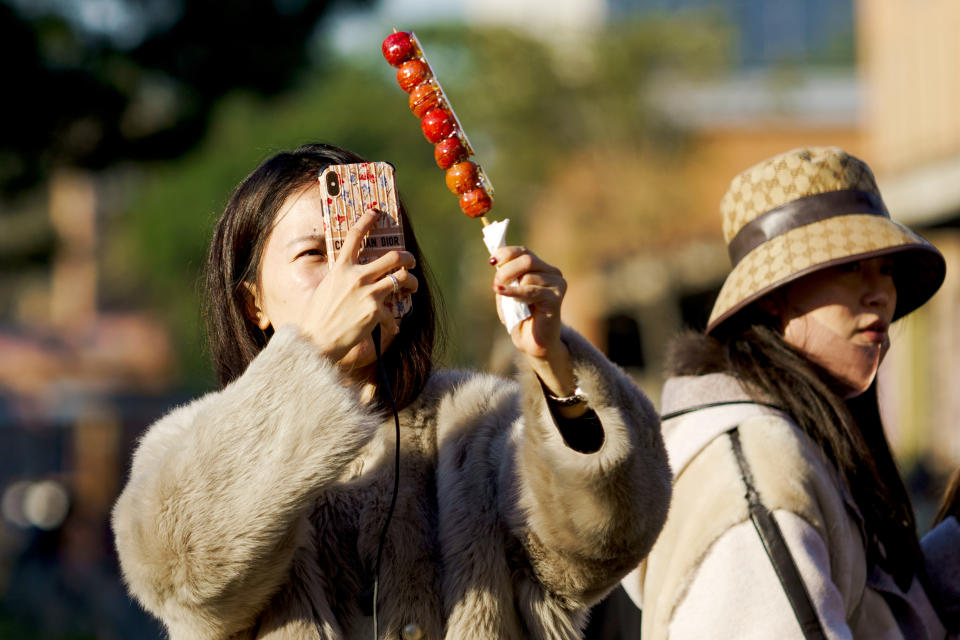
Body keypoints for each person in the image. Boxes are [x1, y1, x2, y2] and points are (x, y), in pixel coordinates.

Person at [111, 142, 671, 639]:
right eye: (315, 254)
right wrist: (311, 353)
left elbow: (606, 540)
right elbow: (180, 580)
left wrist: (556, 368)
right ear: (254, 302)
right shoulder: (189, 445)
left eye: (371, 246)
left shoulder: (480, 429)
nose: (352, 274)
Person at [622, 147, 959, 639]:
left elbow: (878, 616)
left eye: (885, 267)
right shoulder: (756, 464)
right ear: (775, 297)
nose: (880, 292)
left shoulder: (798, 435)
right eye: (850, 266)